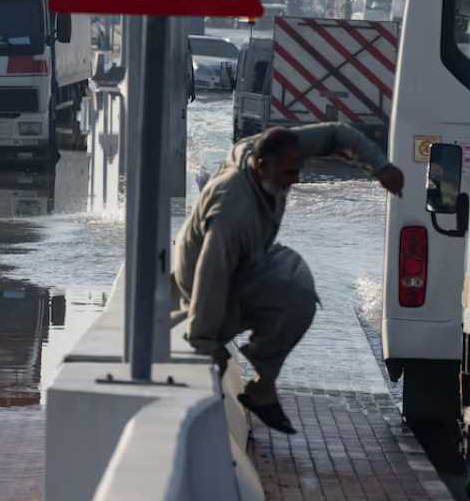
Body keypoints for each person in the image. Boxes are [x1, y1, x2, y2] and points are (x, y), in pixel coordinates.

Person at [172, 123, 404, 434]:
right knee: (297, 297)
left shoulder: (273, 151)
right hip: (208, 276)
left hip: (247, 259)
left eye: (297, 170)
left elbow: (337, 134)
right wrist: (205, 342)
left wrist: (380, 166)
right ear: (261, 165)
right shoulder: (233, 206)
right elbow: (211, 273)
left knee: (297, 277)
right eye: (287, 174)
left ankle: (262, 386)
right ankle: (260, 379)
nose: (294, 180)